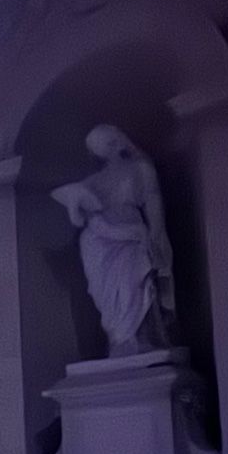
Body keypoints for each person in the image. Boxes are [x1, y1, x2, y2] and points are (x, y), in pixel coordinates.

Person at [52, 124, 176, 357]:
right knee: (109, 296)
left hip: (131, 237)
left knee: (134, 286)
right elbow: (79, 218)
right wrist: (75, 209)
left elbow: (153, 201)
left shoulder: (140, 168)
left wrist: (155, 234)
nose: (110, 146)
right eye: (103, 145)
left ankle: (140, 339)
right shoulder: (92, 181)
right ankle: (119, 340)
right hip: (99, 242)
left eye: (112, 140)